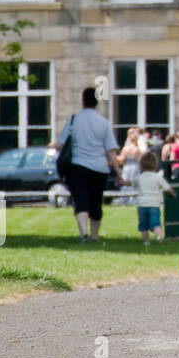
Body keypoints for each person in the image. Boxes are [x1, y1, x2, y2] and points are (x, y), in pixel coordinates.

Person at [56, 88, 126, 242]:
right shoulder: (104, 123)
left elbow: (61, 145)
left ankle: (83, 234)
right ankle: (95, 235)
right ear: (97, 102)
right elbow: (111, 152)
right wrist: (118, 173)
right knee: (96, 201)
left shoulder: (74, 120)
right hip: (99, 168)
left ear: (83, 101)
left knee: (80, 200)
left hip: (77, 166)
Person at [133, 151, 175, 244]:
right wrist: (173, 194)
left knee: (143, 226)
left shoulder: (140, 177)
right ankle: (159, 237)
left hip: (142, 204)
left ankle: (146, 241)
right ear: (155, 164)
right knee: (156, 223)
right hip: (154, 204)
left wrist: (123, 182)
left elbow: (132, 183)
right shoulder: (157, 177)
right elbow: (168, 188)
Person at [119, 127, 143, 205]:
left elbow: (122, 158)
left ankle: (124, 198)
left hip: (127, 166)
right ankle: (133, 199)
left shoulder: (125, 148)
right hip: (135, 166)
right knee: (134, 181)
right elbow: (141, 159)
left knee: (126, 180)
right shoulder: (137, 149)